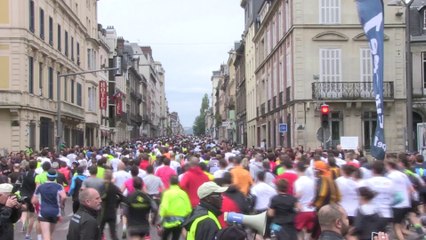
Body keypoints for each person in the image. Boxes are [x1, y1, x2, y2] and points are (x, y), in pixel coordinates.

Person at [31, 169, 67, 240]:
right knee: (50, 234)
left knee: (46, 235)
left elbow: (33, 201)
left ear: (47, 176)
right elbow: (64, 197)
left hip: (43, 212)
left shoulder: (40, 187)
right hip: (55, 212)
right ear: (55, 177)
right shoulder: (59, 186)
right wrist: (61, 204)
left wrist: (37, 201)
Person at [159, 175, 192, 240]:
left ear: (169, 182)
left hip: (168, 221)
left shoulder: (167, 193)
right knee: (176, 237)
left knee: (164, 237)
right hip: (180, 221)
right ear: (178, 182)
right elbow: (188, 209)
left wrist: (161, 217)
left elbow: (164, 207)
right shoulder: (183, 193)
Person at [99, 170, 124, 240]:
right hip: (112, 212)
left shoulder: (101, 187)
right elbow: (122, 197)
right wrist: (116, 203)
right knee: (113, 234)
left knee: (99, 232)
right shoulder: (114, 187)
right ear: (111, 177)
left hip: (102, 212)